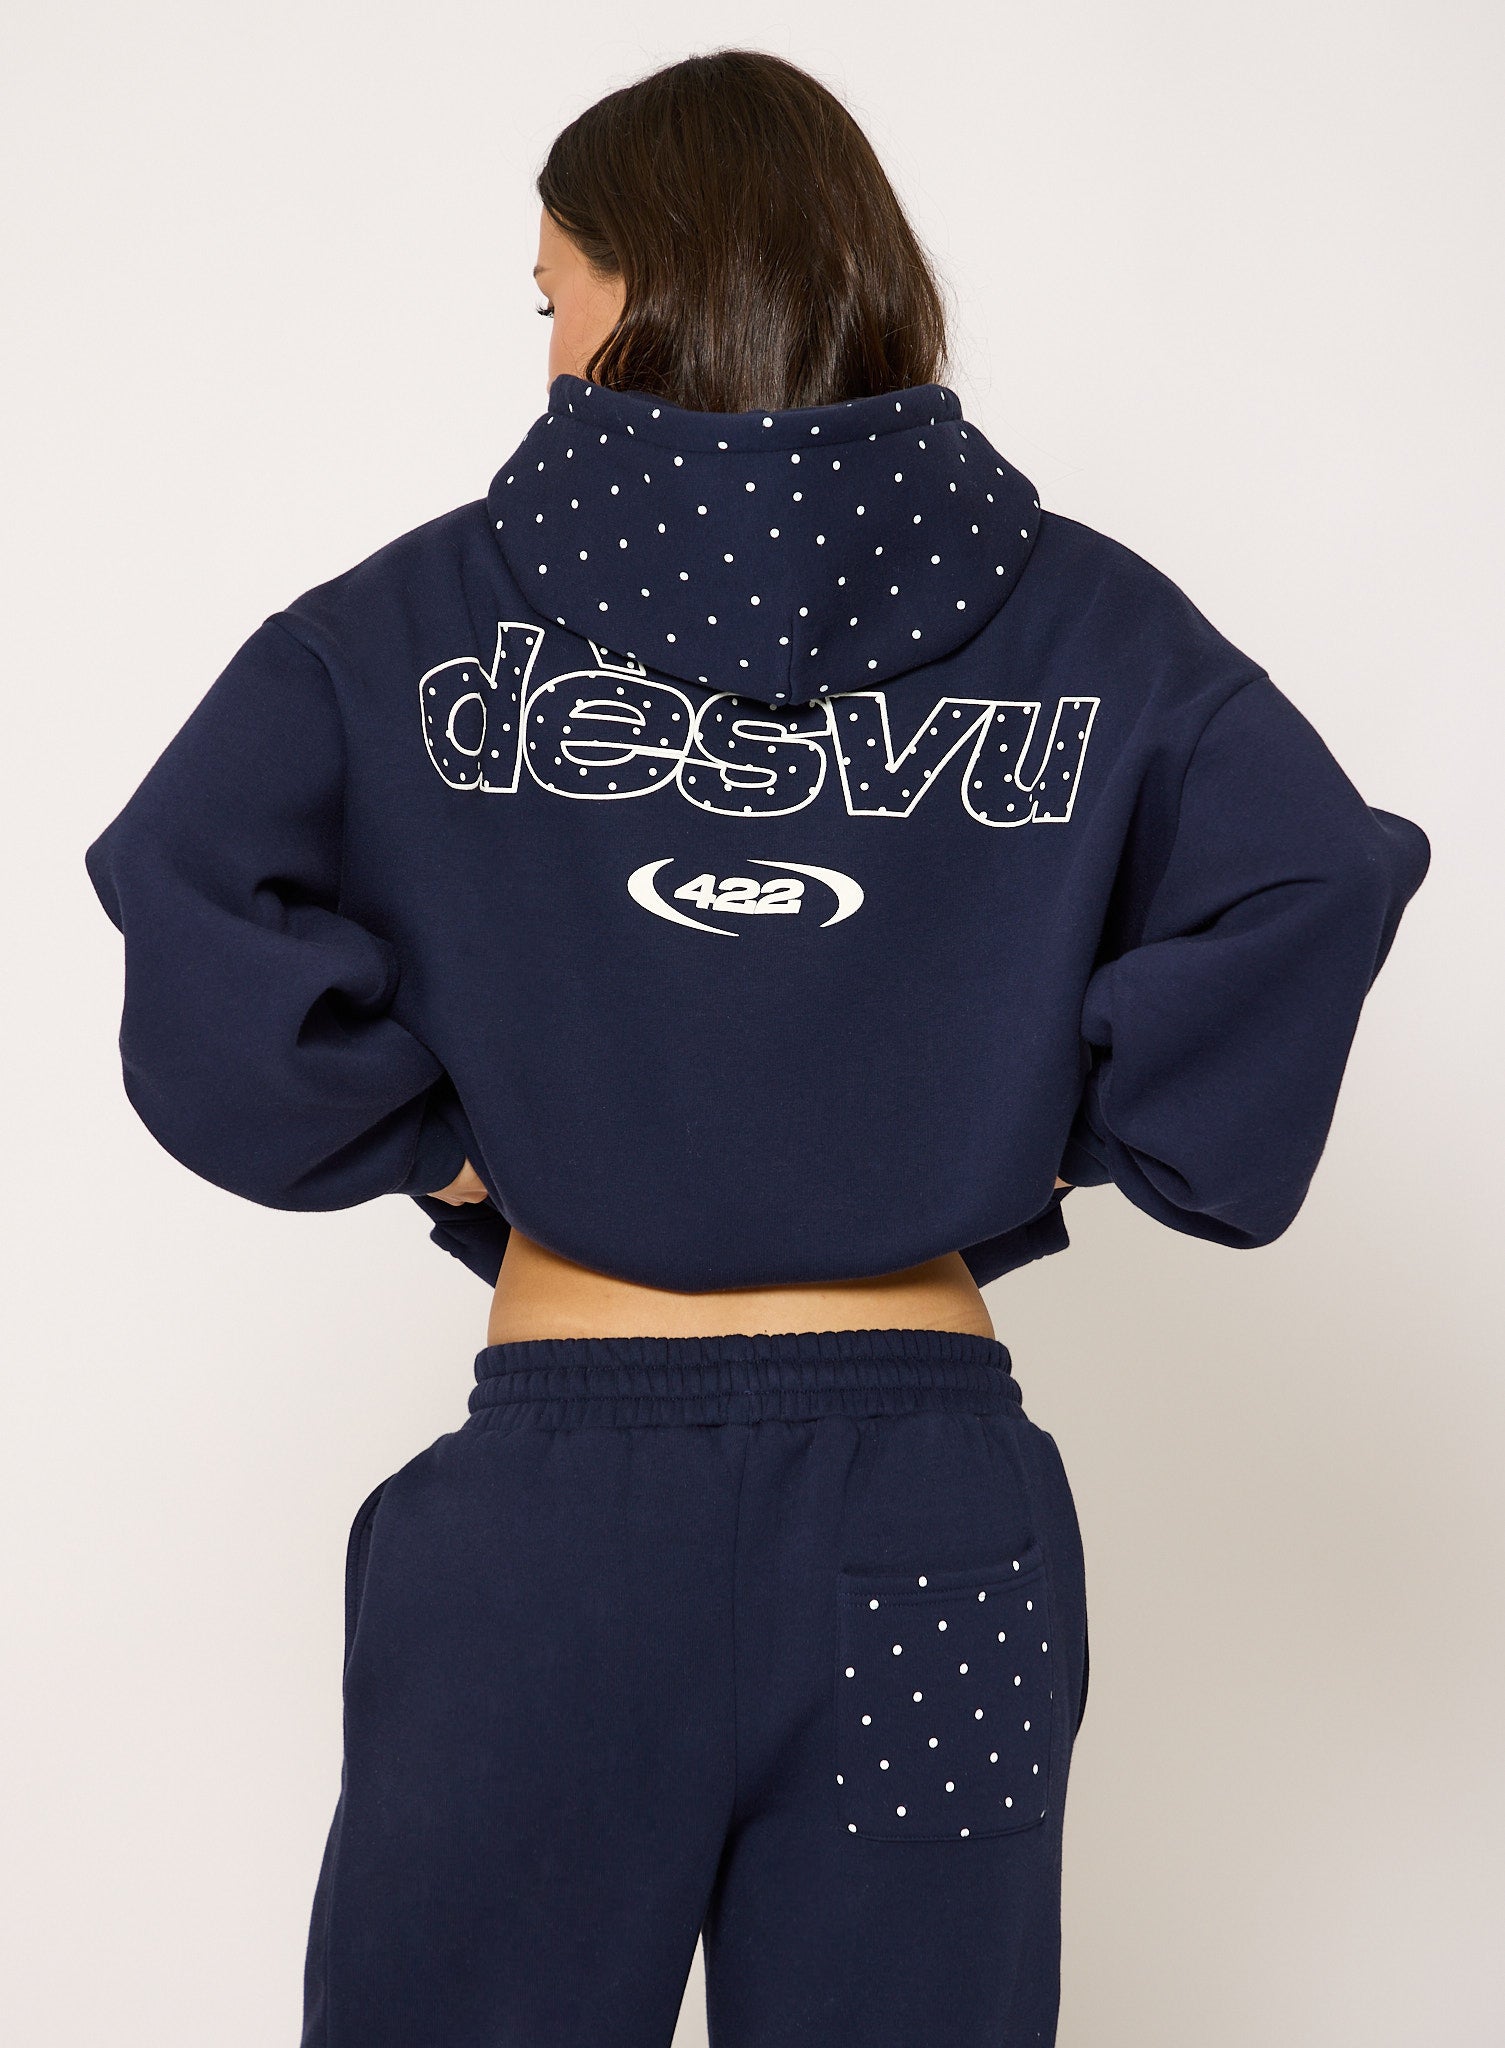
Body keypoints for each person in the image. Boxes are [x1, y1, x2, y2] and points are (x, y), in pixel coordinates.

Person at [83, 47, 1431, 2048]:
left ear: (639, 282)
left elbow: (187, 885)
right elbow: (1308, 877)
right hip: (929, 1521)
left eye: (549, 295)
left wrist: (436, 1141)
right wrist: (1038, 1110)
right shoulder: (1085, 621)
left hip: (560, 1530)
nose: (547, 347)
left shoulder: (415, 623)